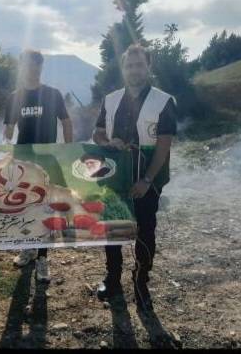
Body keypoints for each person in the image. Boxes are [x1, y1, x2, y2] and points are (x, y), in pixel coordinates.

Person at [92, 43, 177, 311]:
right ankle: (112, 280)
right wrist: (108, 142)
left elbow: (163, 145)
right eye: (129, 65)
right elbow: (97, 134)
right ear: (123, 68)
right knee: (113, 228)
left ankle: (141, 283)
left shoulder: (163, 101)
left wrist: (147, 180)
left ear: (148, 67)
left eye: (139, 65)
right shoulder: (110, 100)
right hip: (114, 178)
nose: (134, 70)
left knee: (145, 231)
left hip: (147, 179)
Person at [3, 49, 73, 283]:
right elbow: (8, 129)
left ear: (41, 67)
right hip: (23, 161)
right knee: (25, 205)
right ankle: (27, 248)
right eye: (27, 64)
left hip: (47, 161)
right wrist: (5, 139)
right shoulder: (14, 97)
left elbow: (66, 122)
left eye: (36, 64)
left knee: (45, 208)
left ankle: (43, 258)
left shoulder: (53, 94)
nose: (32, 69)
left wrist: (68, 149)